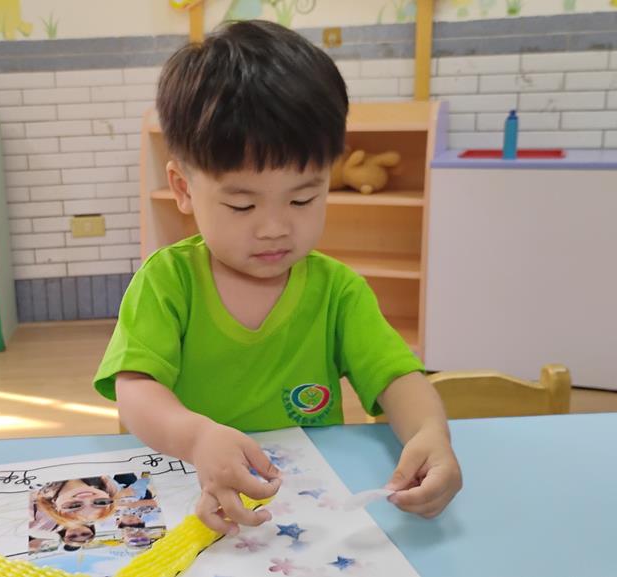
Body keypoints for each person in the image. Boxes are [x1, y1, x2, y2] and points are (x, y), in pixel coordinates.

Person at [93, 20, 462, 536]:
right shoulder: (168, 282)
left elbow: (398, 378)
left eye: (303, 199)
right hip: (189, 499)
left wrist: (430, 434)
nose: (274, 228)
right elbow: (135, 388)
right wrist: (195, 437)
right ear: (182, 188)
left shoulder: (337, 291)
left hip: (305, 511)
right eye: (242, 205)